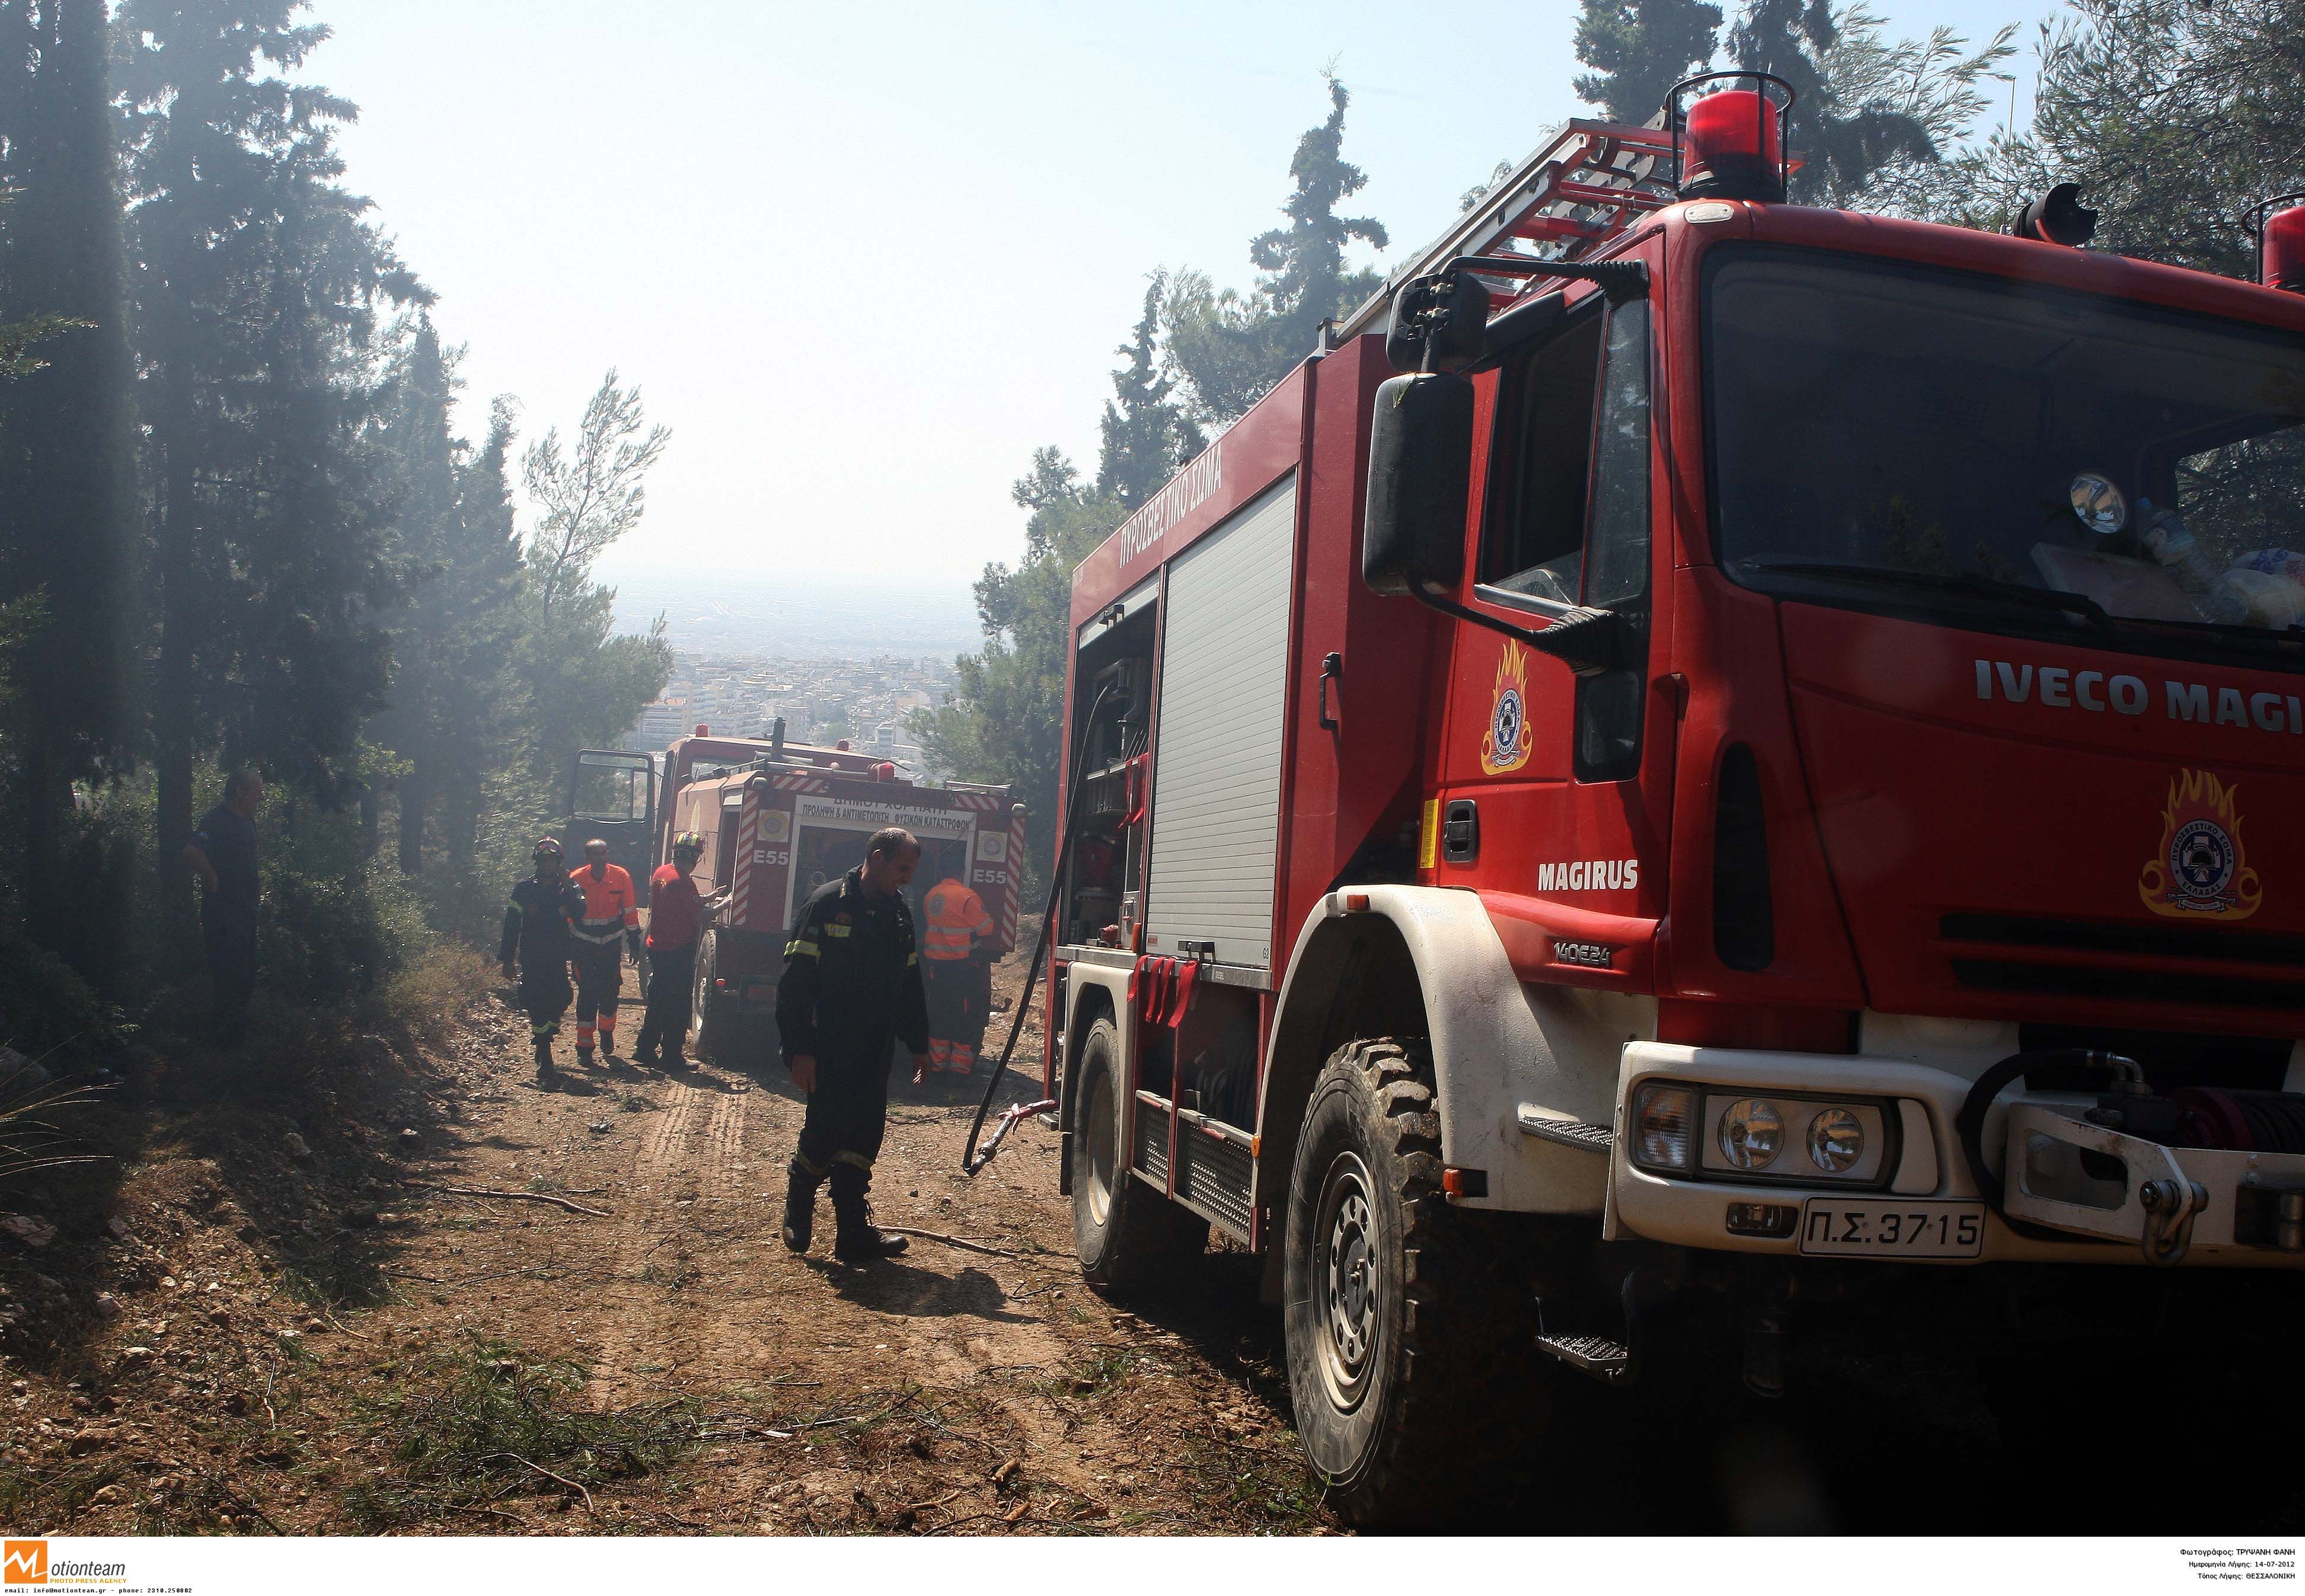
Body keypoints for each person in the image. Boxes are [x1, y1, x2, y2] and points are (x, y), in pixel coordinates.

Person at [775, 826, 931, 1262]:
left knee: (864, 1135)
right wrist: (799, 1049)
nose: (908, 878)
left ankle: (852, 1233)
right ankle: (799, 1199)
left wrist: (918, 1043)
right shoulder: (826, 904)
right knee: (826, 1129)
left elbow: (909, 982)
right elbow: (794, 985)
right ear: (877, 858)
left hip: (876, 1045)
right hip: (830, 1043)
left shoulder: (899, 914)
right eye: (902, 868)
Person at [181, 770, 264, 1045]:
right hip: (223, 915)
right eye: (256, 791)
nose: (261, 797)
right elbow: (192, 851)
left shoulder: (248, 821)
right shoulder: (216, 820)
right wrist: (212, 877)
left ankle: (236, 1043)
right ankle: (221, 1047)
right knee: (229, 977)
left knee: (246, 976)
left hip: (246, 913)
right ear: (239, 792)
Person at [498, 837, 584, 1085]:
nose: (548, 864)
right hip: (532, 956)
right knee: (535, 1001)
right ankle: (544, 1057)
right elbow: (511, 926)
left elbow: (581, 913)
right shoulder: (523, 890)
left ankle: (550, 1028)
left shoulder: (568, 888)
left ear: (559, 863)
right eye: (543, 859)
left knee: (562, 997)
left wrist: (569, 887)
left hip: (557, 956)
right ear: (537, 862)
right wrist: (507, 959)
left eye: (552, 860)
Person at [635, 831, 723, 1068]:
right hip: (676, 952)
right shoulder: (683, 881)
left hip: (659, 947)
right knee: (676, 1004)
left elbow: (680, 902)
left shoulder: (662, 872)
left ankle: (645, 1049)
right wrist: (725, 904)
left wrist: (706, 897)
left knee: (658, 1001)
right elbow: (699, 916)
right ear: (695, 858)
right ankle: (672, 1056)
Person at [569, 837, 641, 1065]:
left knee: (610, 992)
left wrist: (634, 939)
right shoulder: (576, 879)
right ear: (587, 858)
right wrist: (568, 945)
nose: (600, 858)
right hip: (584, 945)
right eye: (595, 855)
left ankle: (607, 1032)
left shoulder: (621, 877)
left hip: (611, 945)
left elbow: (629, 910)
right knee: (588, 994)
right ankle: (584, 1047)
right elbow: (568, 914)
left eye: (603, 854)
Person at [918, 872, 995, 1083]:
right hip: (961, 969)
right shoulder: (967, 897)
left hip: (937, 969)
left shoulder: (932, 896)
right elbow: (986, 929)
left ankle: (938, 1067)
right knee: (963, 1018)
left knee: (939, 1016)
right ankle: (959, 1072)